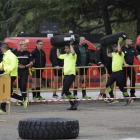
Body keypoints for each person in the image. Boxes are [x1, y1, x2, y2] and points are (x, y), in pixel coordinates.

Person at [0, 43, 27, 114]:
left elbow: (13, 66)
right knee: (8, 92)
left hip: (10, 75)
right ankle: (23, 99)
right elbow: (2, 64)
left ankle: (2, 109)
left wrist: (3, 69)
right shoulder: (6, 55)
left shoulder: (11, 55)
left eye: (1, 49)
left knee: (4, 91)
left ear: (3, 49)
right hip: (6, 75)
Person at [106, 38, 133, 105]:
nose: (114, 48)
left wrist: (118, 43)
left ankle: (129, 99)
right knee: (107, 85)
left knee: (121, 88)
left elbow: (119, 50)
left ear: (118, 47)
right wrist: (106, 47)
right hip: (113, 73)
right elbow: (107, 55)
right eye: (113, 47)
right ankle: (112, 98)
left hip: (119, 73)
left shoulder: (121, 54)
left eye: (115, 47)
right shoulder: (113, 54)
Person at [57, 40, 80, 110]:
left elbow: (73, 52)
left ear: (69, 48)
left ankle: (75, 101)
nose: (65, 49)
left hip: (71, 74)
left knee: (65, 90)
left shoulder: (73, 55)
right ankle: (73, 105)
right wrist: (57, 48)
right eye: (65, 48)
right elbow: (58, 56)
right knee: (65, 90)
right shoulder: (65, 55)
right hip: (66, 75)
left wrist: (70, 45)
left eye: (66, 48)